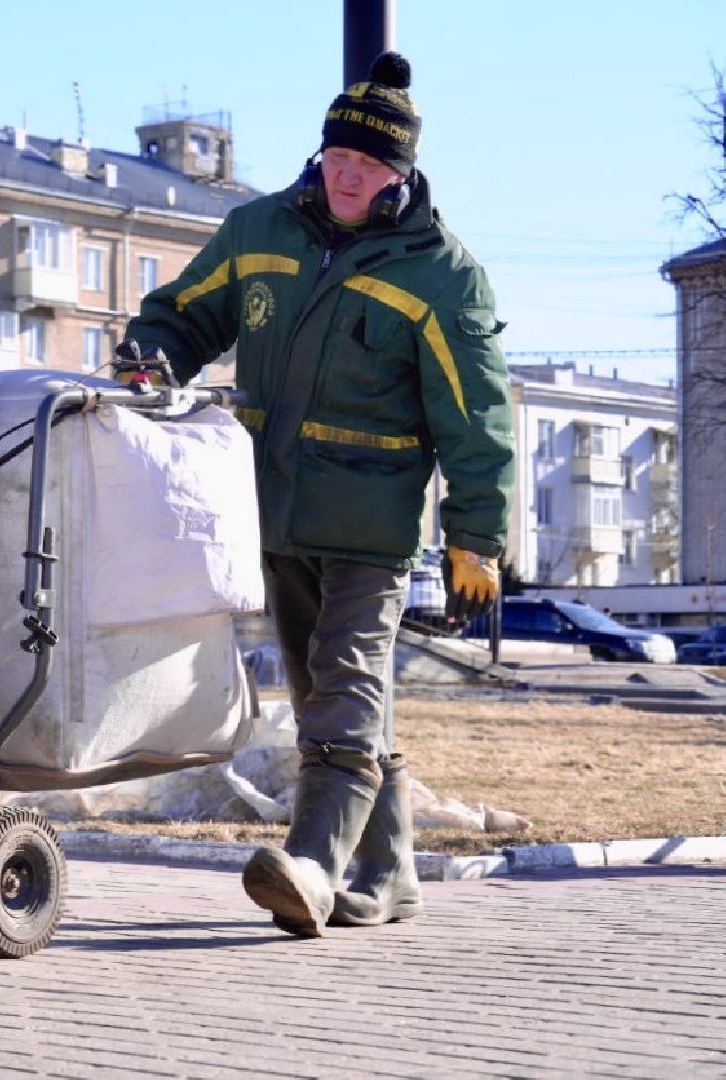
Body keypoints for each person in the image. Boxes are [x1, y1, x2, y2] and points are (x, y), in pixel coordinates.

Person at [121, 51, 514, 937]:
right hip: (269, 510)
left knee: (341, 690)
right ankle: (387, 876)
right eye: (339, 156)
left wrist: (474, 538)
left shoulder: (440, 275)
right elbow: (183, 315)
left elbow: (475, 417)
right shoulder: (260, 231)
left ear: (400, 174)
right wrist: (150, 362)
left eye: (369, 165)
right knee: (328, 699)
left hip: (370, 529)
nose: (348, 174)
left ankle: (308, 864)